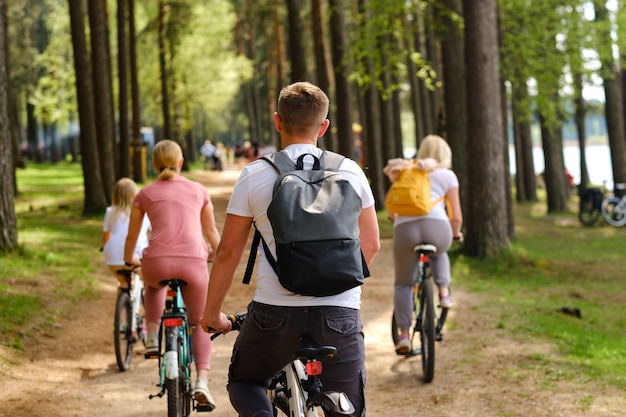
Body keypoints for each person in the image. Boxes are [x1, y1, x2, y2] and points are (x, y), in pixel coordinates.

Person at [199, 82, 380, 417]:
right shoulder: (350, 171)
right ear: (324, 126)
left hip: (274, 314)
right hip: (339, 314)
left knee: (246, 382)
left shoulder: (255, 175)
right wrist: (335, 283)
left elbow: (228, 252)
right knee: (349, 408)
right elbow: (371, 244)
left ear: (277, 121)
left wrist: (212, 315)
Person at [124, 139, 221, 409]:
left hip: (156, 262)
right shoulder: (199, 190)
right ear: (180, 163)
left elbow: (133, 234)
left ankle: (153, 336)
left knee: (153, 283)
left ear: (153, 165)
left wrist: (128, 257)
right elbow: (212, 233)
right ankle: (202, 380)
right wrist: (216, 252)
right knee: (201, 320)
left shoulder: (143, 193)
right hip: (192, 262)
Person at [383, 134, 463, 355]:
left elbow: (391, 204)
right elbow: (455, 216)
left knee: (403, 284)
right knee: (440, 251)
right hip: (438, 228)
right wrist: (455, 234)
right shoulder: (448, 175)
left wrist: (396, 221)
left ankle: (405, 336)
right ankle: (444, 293)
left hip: (405, 230)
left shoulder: (407, 170)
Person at [101, 177, 151, 289]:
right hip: (137, 256)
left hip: (113, 257)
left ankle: (123, 293)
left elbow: (106, 237)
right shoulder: (143, 212)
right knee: (150, 283)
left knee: (123, 284)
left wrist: (105, 248)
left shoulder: (110, 212)